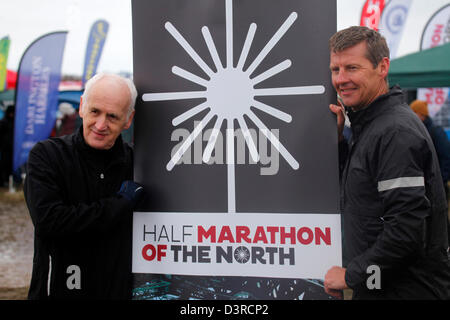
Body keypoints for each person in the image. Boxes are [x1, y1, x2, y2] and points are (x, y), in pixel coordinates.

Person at [324, 26, 450, 299]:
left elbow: (407, 231)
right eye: (336, 69)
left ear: (382, 67)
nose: (341, 79)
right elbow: (366, 193)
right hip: (382, 287)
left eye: (352, 68)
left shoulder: (393, 132)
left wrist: (352, 275)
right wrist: (339, 144)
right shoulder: (370, 125)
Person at [25, 73, 144, 299]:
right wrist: (120, 204)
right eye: (95, 112)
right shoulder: (47, 155)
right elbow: (49, 221)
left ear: (128, 120)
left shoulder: (137, 163)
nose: (101, 125)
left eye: (112, 116)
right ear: (82, 107)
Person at [410, 99, 450, 198]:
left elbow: (446, 156)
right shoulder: (417, 130)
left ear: (421, 114)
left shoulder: (435, 131)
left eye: (413, 112)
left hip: (437, 184)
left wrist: (442, 180)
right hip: (424, 185)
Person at [0, 105, 15, 186]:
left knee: (11, 165)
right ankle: (4, 180)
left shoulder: (14, 122)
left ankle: (10, 180)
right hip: (5, 148)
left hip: (13, 148)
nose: (12, 114)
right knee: (4, 164)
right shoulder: (3, 122)